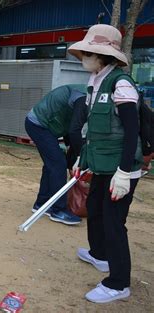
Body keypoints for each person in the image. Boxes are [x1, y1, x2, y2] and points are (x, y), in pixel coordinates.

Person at [68, 24, 144, 304]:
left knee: (114, 223)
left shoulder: (120, 83)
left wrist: (125, 173)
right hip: (100, 165)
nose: (84, 57)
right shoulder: (96, 80)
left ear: (104, 56)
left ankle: (118, 282)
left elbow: (131, 130)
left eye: (89, 52)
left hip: (120, 169)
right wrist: (81, 158)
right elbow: (94, 130)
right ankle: (100, 254)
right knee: (96, 212)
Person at [25, 85, 87, 225]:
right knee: (58, 164)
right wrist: (78, 157)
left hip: (48, 126)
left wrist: (71, 148)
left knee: (52, 164)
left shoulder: (85, 94)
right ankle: (58, 210)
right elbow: (74, 129)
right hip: (38, 125)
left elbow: (69, 124)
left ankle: (42, 204)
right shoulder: (83, 98)